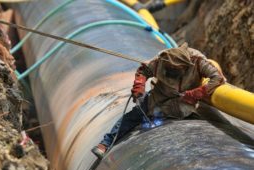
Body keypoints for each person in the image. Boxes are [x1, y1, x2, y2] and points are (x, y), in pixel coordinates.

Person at [91, 43, 226, 159]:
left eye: (175, 70)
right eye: (169, 69)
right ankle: (105, 143)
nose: (171, 71)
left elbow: (218, 78)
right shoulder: (162, 59)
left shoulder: (198, 61)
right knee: (135, 115)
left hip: (183, 101)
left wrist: (196, 93)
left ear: (185, 67)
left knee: (192, 122)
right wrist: (139, 87)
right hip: (159, 96)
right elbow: (143, 71)